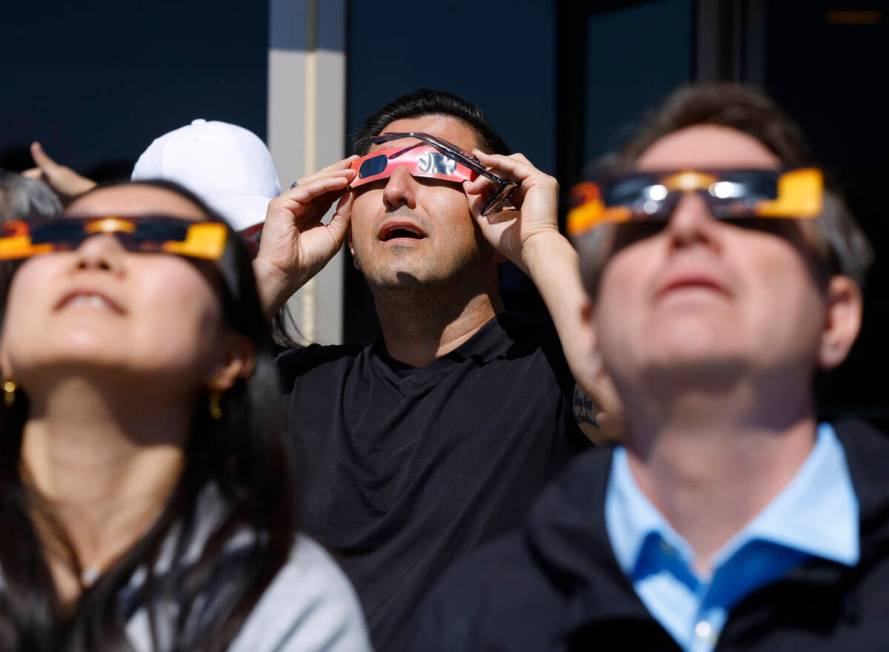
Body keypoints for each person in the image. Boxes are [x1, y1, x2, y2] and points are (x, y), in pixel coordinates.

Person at [408, 83, 887, 651]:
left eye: (747, 199)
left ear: (836, 316)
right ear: (592, 325)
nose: (686, 227)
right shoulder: (480, 614)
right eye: (641, 206)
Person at [251, 88, 621, 650]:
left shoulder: (554, 369)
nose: (397, 191)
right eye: (372, 173)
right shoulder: (299, 386)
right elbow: (141, 424)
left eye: (435, 167)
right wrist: (269, 276)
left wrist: (541, 240)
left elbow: (627, 406)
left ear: (497, 210)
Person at [0, 180, 370, 651]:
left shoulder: (280, 599)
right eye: (59, 237)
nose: (94, 253)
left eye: (157, 237)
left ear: (229, 358)